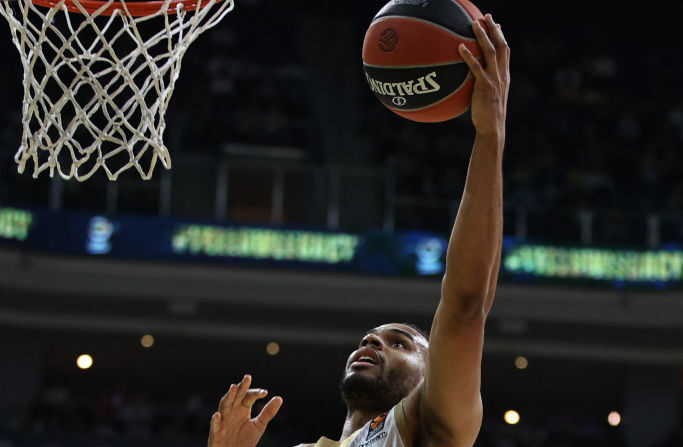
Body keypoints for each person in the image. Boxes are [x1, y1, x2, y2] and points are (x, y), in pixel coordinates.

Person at [207, 13, 510, 447]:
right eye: (375, 337)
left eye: (402, 343)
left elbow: (464, 308)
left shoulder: (424, 430)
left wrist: (490, 132)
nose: (372, 339)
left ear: (434, 376)